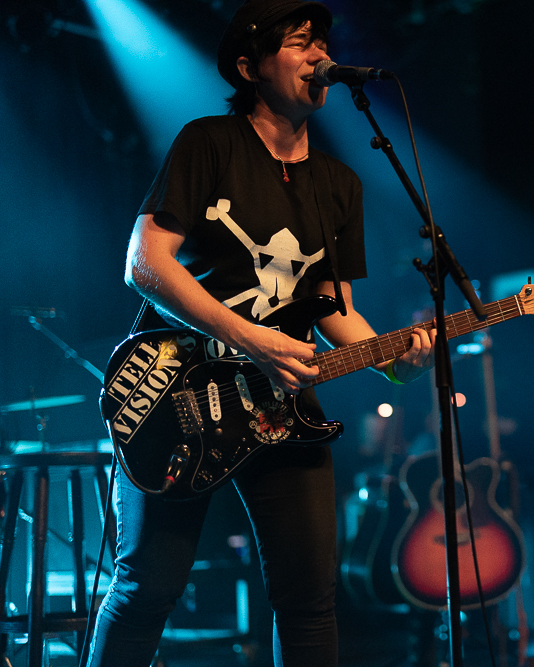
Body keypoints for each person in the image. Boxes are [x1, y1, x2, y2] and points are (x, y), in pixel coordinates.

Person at [89, 1, 435, 664]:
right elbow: (145, 262)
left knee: (310, 599)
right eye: (302, 43)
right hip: (177, 392)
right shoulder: (208, 143)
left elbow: (334, 308)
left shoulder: (339, 184)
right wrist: (252, 338)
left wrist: (395, 361)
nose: (320, 56)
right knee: (145, 588)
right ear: (250, 67)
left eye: (324, 43)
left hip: (282, 410)